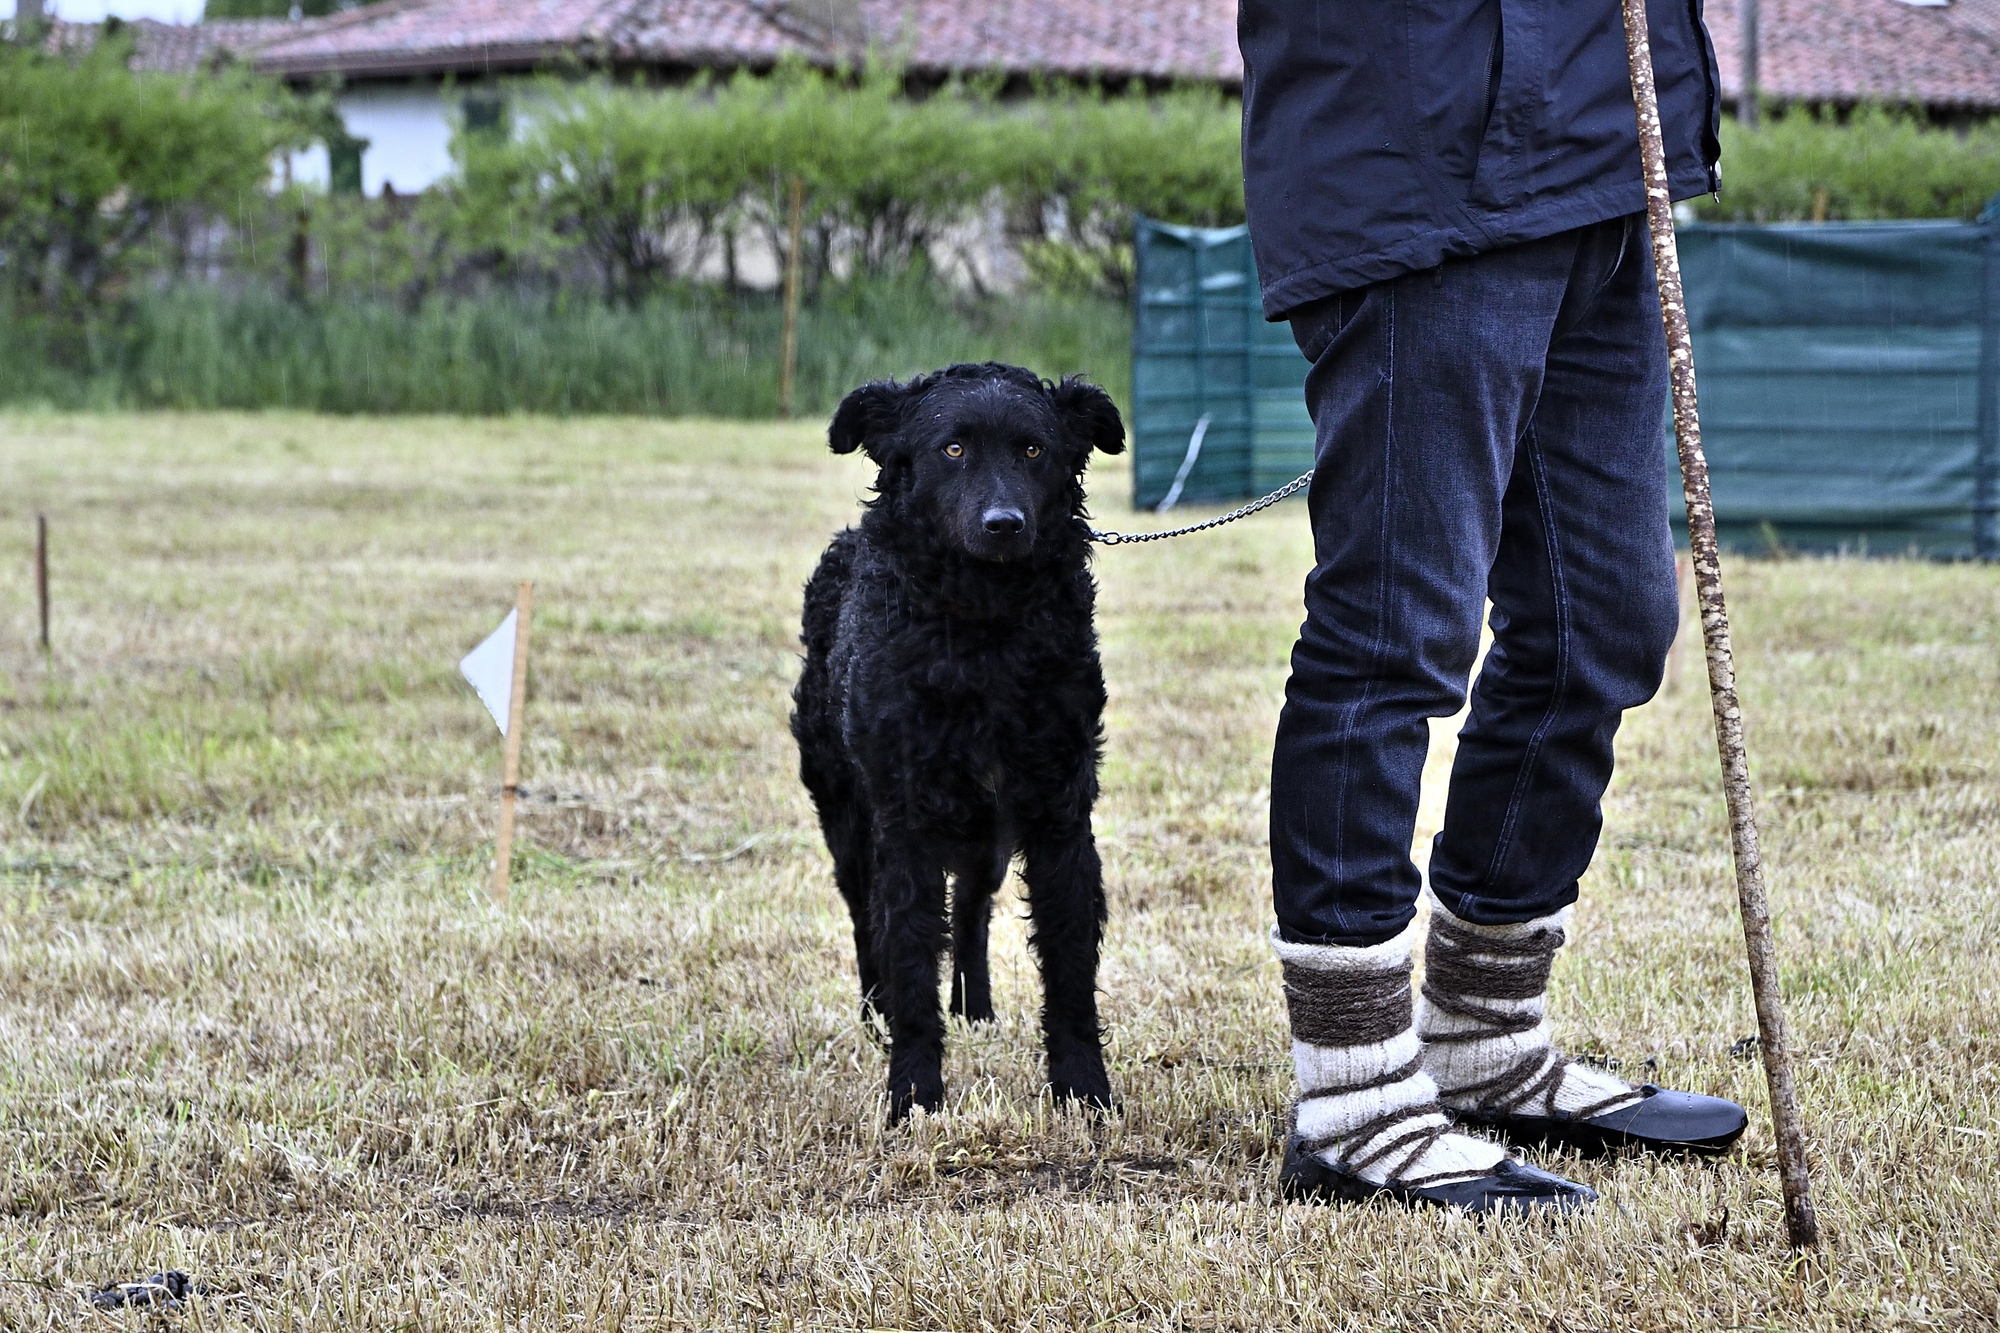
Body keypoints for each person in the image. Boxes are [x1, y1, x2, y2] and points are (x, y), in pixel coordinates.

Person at [1238, 1, 1751, 1212]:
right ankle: (1352, 1099)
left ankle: (1481, 1034)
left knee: (1603, 625)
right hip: (1419, 158)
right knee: (1393, 634)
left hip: (1602, 156)